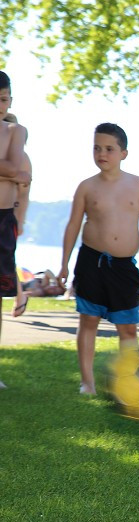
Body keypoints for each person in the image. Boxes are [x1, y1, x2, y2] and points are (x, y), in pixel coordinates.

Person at [57, 123, 139, 395]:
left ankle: (128, 380)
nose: (102, 153)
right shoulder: (87, 187)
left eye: (109, 149)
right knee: (88, 321)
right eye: (97, 148)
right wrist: (64, 264)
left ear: (124, 153)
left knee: (127, 327)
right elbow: (73, 226)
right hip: (91, 262)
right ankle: (87, 382)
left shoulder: (138, 185)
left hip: (124, 267)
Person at [0, 72, 30, 378]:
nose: (0, 105)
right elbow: (10, 171)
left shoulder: (17, 131)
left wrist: (9, 172)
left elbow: (16, 168)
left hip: (4, 217)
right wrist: (8, 172)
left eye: (4, 99)